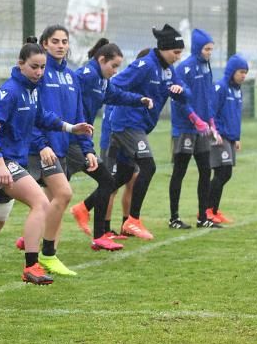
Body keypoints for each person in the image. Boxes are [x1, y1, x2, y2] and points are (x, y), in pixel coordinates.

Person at [0, 40, 93, 287]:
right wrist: (0, 164)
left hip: (8, 160)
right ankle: (31, 266)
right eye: (34, 67)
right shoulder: (10, 91)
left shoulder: (33, 88)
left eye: (42, 67)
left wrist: (71, 128)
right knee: (40, 202)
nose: (39, 72)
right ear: (20, 64)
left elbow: (42, 117)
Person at [18, 25, 93, 277]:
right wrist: (41, 144)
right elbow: (31, 113)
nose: (61, 45)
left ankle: (46, 253)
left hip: (59, 148)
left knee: (54, 201)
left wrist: (87, 149)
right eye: (55, 41)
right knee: (62, 195)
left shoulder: (71, 77)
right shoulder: (38, 72)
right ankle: (44, 251)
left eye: (65, 41)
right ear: (45, 44)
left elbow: (79, 115)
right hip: (37, 148)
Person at [105, 24, 190, 240]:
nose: (178, 57)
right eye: (176, 52)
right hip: (127, 123)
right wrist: (129, 103)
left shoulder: (169, 70)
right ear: (164, 48)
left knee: (124, 175)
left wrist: (180, 92)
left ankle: (84, 207)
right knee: (148, 166)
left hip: (140, 126)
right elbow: (115, 84)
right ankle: (133, 220)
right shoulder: (144, 65)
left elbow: (185, 94)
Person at [71, 38, 153, 250]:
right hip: (70, 140)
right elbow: (68, 101)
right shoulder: (85, 76)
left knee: (103, 181)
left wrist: (139, 100)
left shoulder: (101, 80)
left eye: (118, 66)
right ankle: (98, 231)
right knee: (53, 192)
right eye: (113, 66)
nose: (116, 71)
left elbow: (116, 95)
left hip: (78, 139)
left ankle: (99, 234)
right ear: (101, 59)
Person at [169, 28, 221, 229]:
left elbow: (207, 96)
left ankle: (202, 217)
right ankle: (174, 218)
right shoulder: (185, 68)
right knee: (179, 171)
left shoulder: (206, 66)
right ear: (199, 48)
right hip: (185, 128)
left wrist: (210, 120)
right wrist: (194, 118)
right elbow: (179, 99)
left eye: (211, 49)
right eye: (207, 49)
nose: (209, 52)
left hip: (202, 129)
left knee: (205, 170)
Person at [206, 54, 248, 224]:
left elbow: (235, 116)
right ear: (232, 71)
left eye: (245, 72)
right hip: (219, 137)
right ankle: (207, 210)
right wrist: (215, 132)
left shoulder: (237, 90)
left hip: (230, 137)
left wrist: (236, 137)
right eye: (241, 72)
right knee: (223, 172)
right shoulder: (220, 87)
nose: (243, 75)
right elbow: (211, 111)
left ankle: (214, 210)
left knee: (225, 173)